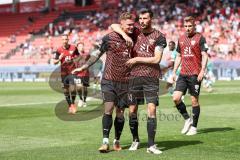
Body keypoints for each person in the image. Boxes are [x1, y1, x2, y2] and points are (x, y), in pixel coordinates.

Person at [72, 12, 137, 153]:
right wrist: (84, 67)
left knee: (120, 113)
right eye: (129, 25)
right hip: (109, 80)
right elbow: (97, 54)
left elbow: (115, 25)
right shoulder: (109, 37)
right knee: (108, 109)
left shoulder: (136, 35)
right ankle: (105, 142)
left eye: (133, 24)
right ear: (121, 25)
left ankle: (117, 140)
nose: (132, 27)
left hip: (126, 81)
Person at [111, 8, 167, 154]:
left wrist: (136, 59)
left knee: (152, 109)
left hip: (151, 77)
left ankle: (151, 145)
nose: (142, 21)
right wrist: (125, 35)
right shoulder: (135, 31)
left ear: (151, 19)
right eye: (140, 19)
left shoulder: (159, 36)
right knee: (133, 110)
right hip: (134, 77)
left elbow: (157, 59)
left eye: (145, 18)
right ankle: (135, 140)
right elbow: (114, 26)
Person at [172, 16, 208, 136]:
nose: (187, 28)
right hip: (183, 74)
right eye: (186, 26)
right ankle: (188, 119)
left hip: (194, 74)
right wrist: (174, 71)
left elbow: (205, 55)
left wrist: (202, 70)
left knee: (194, 101)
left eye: (190, 26)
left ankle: (194, 127)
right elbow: (178, 56)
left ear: (194, 26)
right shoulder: (181, 39)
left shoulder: (200, 38)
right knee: (176, 98)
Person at [53, 34, 80, 114]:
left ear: (68, 40)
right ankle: (70, 105)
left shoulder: (73, 48)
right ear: (61, 40)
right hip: (63, 73)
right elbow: (54, 62)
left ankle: (73, 103)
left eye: (66, 39)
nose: (65, 41)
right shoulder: (58, 50)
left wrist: (75, 59)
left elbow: (78, 57)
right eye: (63, 39)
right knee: (66, 90)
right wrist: (59, 59)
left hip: (72, 72)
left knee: (73, 88)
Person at [75, 42, 90, 107]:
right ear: (77, 47)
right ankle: (81, 99)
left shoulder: (87, 54)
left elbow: (90, 62)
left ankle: (84, 100)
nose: (81, 47)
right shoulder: (75, 55)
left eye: (82, 46)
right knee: (79, 87)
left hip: (86, 73)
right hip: (78, 74)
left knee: (85, 88)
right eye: (80, 46)